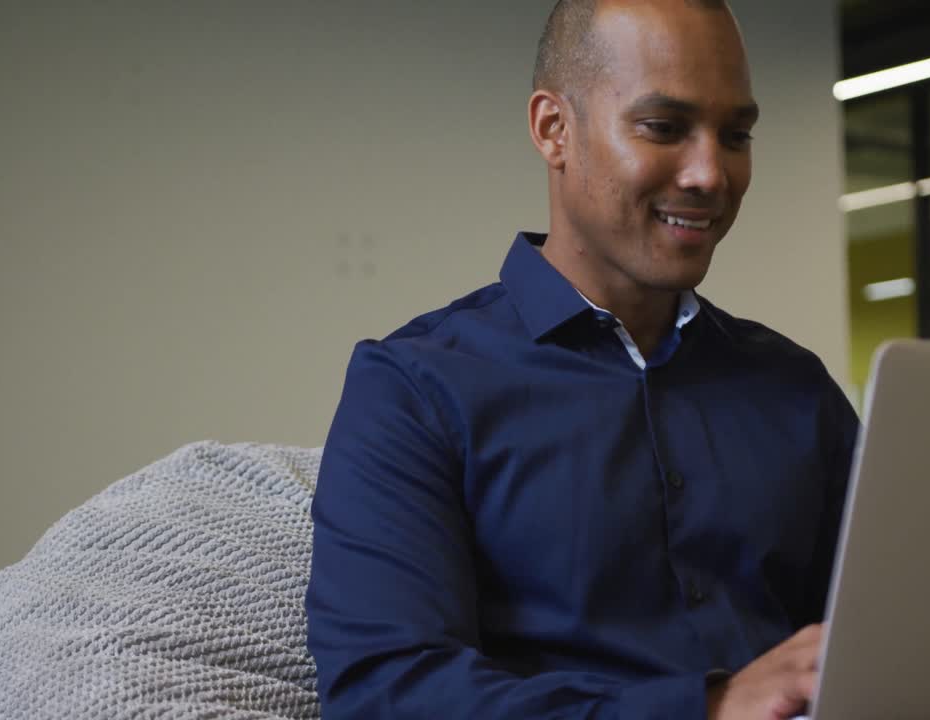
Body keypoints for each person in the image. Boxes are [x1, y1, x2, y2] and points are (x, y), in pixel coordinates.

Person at [305, 0, 859, 717]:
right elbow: (383, 693)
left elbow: (889, 630)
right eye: (664, 127)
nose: (710, 174)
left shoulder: (798, 389)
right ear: (553, 129)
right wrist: (708, 707)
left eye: (736, 135)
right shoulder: (413, 388)